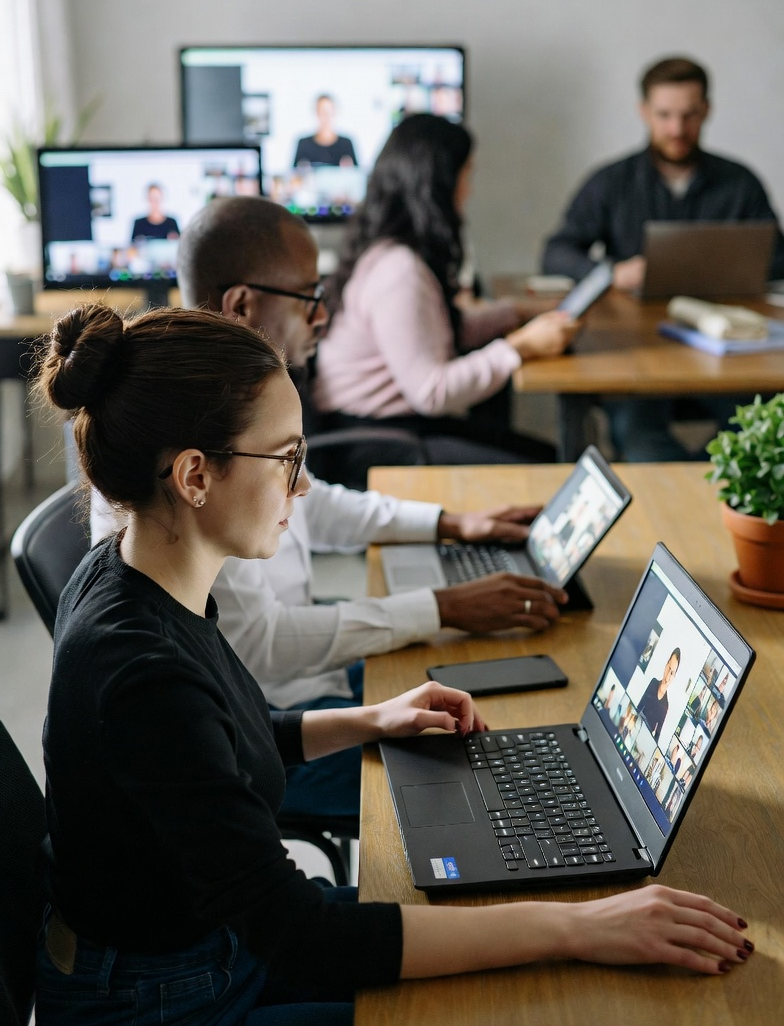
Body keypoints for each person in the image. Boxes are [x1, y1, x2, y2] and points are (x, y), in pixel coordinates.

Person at [35, 303, 753, 1022]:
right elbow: (304, 937)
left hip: (209, 948)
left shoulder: (133, 574)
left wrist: (370, 719)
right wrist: (577, 930)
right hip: (167, 998)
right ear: (195, 475)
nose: (304, 486)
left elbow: (225, 739)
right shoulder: (139, 668)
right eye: (288, 458)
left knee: (507, 925)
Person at [92, 195, 569, 820]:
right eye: (310, 295)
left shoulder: (232, 404)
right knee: (504, 783)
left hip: (284, 715)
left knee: (507, 709)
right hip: (275, 720)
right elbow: (261, 649)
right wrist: (442, 607)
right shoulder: (189, 459)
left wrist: (449, 525)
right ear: (242, 304)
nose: (324, 315)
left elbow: (315, 504)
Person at [542, 56, 784, 460]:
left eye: (689, 115)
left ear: (706, 111)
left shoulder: (740, 183)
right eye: (665, 115)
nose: (676, 129)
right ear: (644, 112)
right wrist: (612, 273)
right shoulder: (612, 182)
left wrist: (733, 265)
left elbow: (779, 258)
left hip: (729, 354)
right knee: (639, 442)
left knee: (763, 436)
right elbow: (556, 253)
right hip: (638, 353)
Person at [314, 114, 580, 462]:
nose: (469, 189)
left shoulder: (389, 252)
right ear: (440, 183)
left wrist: (514, 313)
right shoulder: (399, 271)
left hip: (391, 425)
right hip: (376, 441)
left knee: (548, 459)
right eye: (467, 173)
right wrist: (519, 347)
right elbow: (431, 391)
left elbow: (428, 334)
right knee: (547, 468)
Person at [293, 94, 358, 168]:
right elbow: (293, 175)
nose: (326, 116)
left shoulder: (346, 144)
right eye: (322, 111)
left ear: (334, 112)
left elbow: (357, 174)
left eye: (329, 111)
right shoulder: (304, 144)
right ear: (316, 113)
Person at [638, 648, 681, 740]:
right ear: (666, 665)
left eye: (672, 673)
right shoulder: (653, 682)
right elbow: (638, 707)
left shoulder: (666, 705)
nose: (668, 676)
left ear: (674, 677)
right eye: (669, 668)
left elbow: (657, 736)